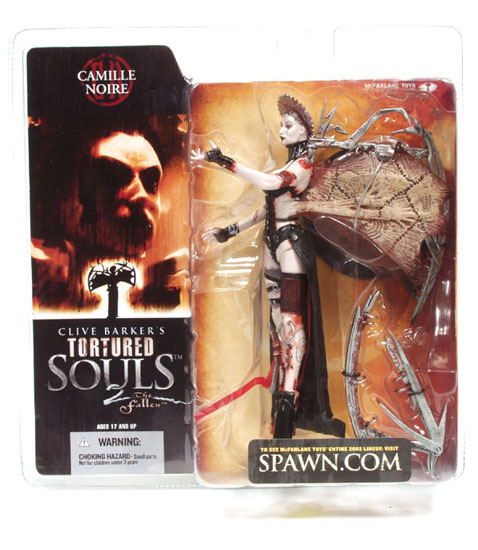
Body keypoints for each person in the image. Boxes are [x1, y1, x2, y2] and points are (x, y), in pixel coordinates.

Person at [191, 94, 345, 438]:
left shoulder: (302, 167)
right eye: (281, 125)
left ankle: (289, 395)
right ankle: (280, 388)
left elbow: (271, 185)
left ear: (304, 131)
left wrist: (226, 162)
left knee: (291, 319)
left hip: (290, 243)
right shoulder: (288, 166)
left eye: (288, 125)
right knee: (276, 319)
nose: (282, 131)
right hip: (273, 242)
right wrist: (232, 230)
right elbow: (269, 206)